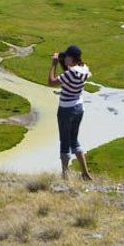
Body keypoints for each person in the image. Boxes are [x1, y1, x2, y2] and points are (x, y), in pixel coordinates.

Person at [48, 44, 93, 180]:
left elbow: (51, 82)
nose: (65, 58)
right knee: (74, 141)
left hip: (66, 109)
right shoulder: (84, 70)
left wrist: (54, 64)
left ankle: (65, 174)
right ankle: (85, 173)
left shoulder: (69, 74)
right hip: (79, 107)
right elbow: (70, 72)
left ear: (72, 58)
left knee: (65, 142)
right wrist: (64, 61)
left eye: (66, 56)